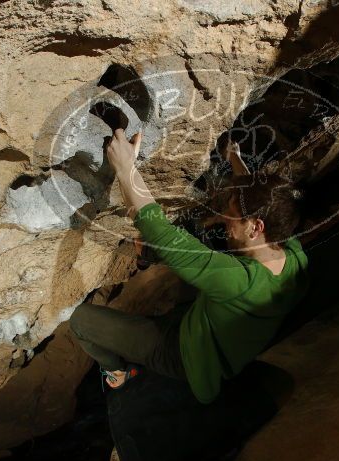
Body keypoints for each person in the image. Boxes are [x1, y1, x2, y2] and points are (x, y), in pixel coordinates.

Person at [69, 131, 309, 404]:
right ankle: (152, 260)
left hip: (183, 354)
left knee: (78, 320)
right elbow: (262, 201)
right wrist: (234, 159)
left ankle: (118, 372)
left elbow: (159, 229)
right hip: (203, 322)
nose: (224, 220)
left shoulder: (239, 281)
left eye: (231, 217)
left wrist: (126, 168)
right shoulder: (293, 254)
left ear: (255, 227)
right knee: (190, 239)